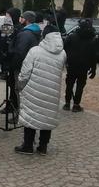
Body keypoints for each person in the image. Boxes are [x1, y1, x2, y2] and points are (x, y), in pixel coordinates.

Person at [14, 25, 67, 155]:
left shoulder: (35, 51)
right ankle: (43, 146)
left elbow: (25, 73)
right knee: (47, 117)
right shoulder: (63, 53)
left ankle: (27, 145)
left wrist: (19, 85)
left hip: (33, 89)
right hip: (52, 91)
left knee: (30, 116)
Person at [4, 10, 41, 117]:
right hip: (30, 65)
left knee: (20, 90)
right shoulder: (35, 31)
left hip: (21, 67)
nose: (20, 19)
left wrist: (12, 65)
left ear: (26, 20)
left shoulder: (25, 34)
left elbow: (19, 53)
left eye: (22, 17)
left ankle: (21, 115)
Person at [63, 19, 96, 112]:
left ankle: (67, 103)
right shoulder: (91, 39)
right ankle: (76, 104)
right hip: (84, 66)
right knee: (80, 85)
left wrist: (66, 60)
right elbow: (94, 55)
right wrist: (93, 68)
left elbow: (64, 48)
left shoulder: (72, 37)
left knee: (69, 83)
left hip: (72, 64)